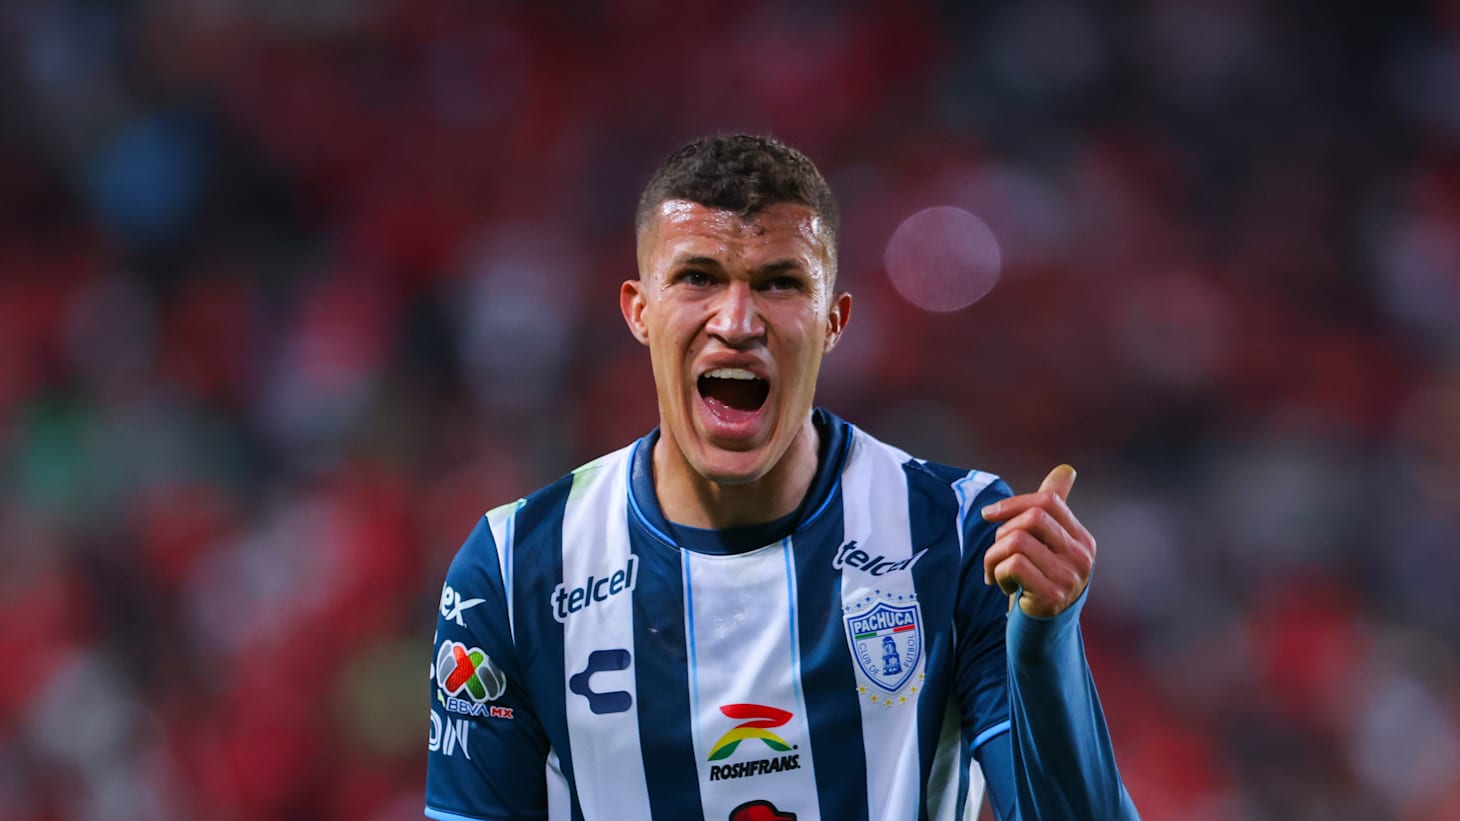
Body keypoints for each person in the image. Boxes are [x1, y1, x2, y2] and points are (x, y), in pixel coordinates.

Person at [425, 134, 1139, 821]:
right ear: (640, 310)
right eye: (698, 277)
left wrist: (1045, 643)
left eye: (779, 283)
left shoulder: (957, 536)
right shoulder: (515, 569)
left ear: (833, 321)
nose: (737, 321)